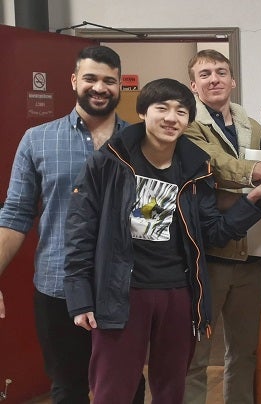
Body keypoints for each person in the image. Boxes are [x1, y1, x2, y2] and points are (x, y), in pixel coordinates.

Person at [63, 78, 261, 403]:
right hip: (122, 292)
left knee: (170, 389)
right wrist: (80, 295)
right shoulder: (109, 161)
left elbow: (212, 234)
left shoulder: (196, 168)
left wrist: (252, 204)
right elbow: (81, 230)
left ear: (188, 121)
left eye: (180, 111)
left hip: (179, 294)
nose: (170, 117)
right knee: (112, 389)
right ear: (142, 112)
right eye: (161, 108)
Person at [0, 45, 147, 404]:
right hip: (57, 285)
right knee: (67, 389)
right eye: (91, 78)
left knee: (126, 387)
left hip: (124, 288)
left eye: (109, 81)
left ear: (119, 86)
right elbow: (15, 213)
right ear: (74, 80)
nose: (100, 88)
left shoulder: (139, 143)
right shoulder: (37, 139)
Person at [183, 49, 261, 404]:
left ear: (233, 81)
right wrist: (258, 173)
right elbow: (212, 164)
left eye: (221, 72)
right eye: (205, 74)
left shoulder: (250, 123)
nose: (214, 79)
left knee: (244, 354)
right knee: (196, 357)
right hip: (210, 258)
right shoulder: (188, 124)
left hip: (250, 258)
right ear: (194, 85)